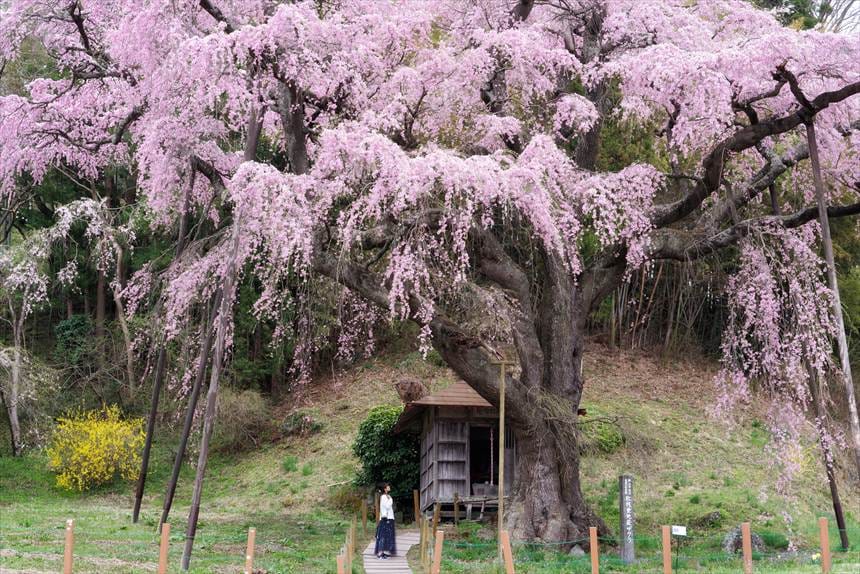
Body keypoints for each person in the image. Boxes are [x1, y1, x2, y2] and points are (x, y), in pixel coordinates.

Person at [374, 483, 397, 559]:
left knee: (387, 535)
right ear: (385, 488)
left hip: (388, 517)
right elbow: (387, 506)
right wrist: (391, 499)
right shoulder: (384, 497)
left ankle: (384, 552)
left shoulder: (386, 496)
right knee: (384, 535)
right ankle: (381, 553)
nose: (389, 487)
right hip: (386, 518)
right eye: (388, 486)